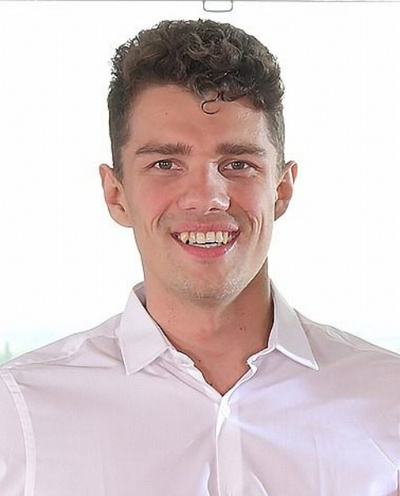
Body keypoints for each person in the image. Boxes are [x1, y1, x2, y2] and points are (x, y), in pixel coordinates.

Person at [0, 19, 399, 496]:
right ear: (116, 194)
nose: (208, 197)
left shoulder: (389, 399)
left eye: (238, 164)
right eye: (165, 164)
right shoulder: (16, 414)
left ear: (282, 189)